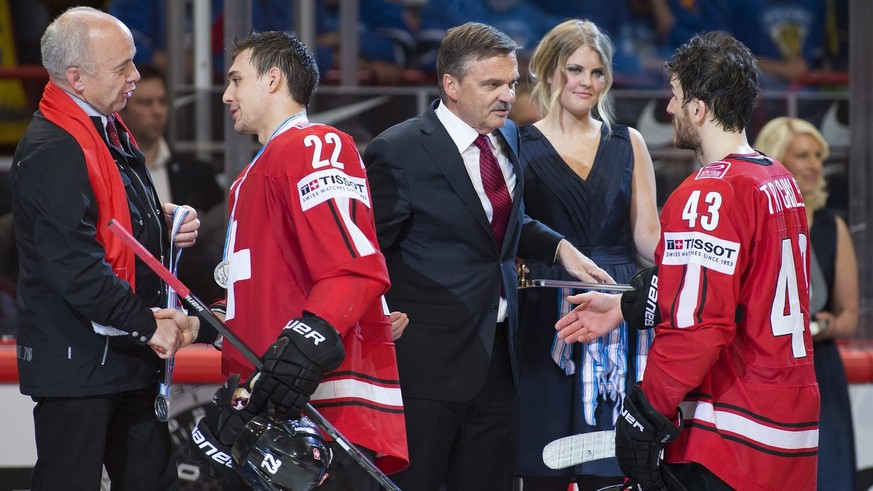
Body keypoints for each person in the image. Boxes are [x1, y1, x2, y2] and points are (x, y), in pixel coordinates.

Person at [554, 32, 820, 490]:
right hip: (790, 421)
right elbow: (733, 284)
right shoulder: (780, 179)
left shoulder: (708, 192)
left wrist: (647, 410)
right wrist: (624, 306)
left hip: (732, 429)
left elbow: (700, 325)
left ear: (699, 108)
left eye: (676, 97)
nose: (669, 110)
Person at [363, 21, 613, 490]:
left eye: (512, 83)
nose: (506, 95)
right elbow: (367, 246)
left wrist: (559, 248)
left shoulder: (509, 137)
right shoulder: (397, 150)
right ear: (451, 86)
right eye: (492, 84)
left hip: (500, 356)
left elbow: (502, 225)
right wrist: (374, 311)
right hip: (425, 364)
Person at [182, 30, 408, 490]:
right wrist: (204, 327)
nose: (226, 95)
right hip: (279, 414)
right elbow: (271, 295)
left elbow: (355, 268)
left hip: (323, 414)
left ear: (272, 79)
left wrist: (308, 343)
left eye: (235, 80)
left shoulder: (313, 145)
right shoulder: (254, 173)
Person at [10, 7, 201, 490]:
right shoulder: (53, 146)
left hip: (121, 359)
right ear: (76, 77)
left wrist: (161, 220)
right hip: (82, 369)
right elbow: (75, 266)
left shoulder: (104, 128)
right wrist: (147, 324)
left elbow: (111, 223)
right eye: (123, 67)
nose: (135, 77)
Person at [514, 19, 660, 491]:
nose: (587, 83)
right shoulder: (516, 143)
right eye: (575, 69)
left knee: (609, 467)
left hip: (615, 315)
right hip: (545, 315)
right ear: (550, 72)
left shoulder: (630, 142)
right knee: (544, 465)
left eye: (597, 73)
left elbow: (647, 240)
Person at [754, 116, 858, 490]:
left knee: (827, 472)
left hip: (821, 368)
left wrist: (823, 326)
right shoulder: (756, 217)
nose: (815, 164)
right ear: (778, 159)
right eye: (803, 155)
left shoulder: (833, 227)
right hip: (768, 364)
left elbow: (849, 317)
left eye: (819, 155)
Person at [118, 64, 226, 301]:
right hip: (131, 294)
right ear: (122, 109)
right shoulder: (113, 171)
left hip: (195, 295)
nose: (157, 111)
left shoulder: (198, 173)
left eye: (162, 102)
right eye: (145, 103)